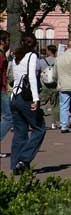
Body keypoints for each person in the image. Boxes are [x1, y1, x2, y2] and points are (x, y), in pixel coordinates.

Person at [9, 35, 46, 174]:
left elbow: (15, 77)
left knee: (20, 132)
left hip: (14, 97)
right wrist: (36, 98)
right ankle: (24, 160)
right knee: (40, 128)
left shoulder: (16, 57)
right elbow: (31, 77)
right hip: (26, 97)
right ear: (35, 45)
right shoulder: (32, 56)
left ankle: (15, 165)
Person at [37, 45, 58, 130]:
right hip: (55, 85)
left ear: (49, 51)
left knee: (42, 103)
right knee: (54, 104)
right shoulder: (58, 60)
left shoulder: (42, 61)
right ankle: (54, 123)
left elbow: (38, 72)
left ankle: (41, 122)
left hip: (44, 85)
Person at [0, 33, 12, 159]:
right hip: (1, 89)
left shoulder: (2, 54)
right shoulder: (0, 55)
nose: (9, 42)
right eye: (8, 40)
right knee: (9, 117)